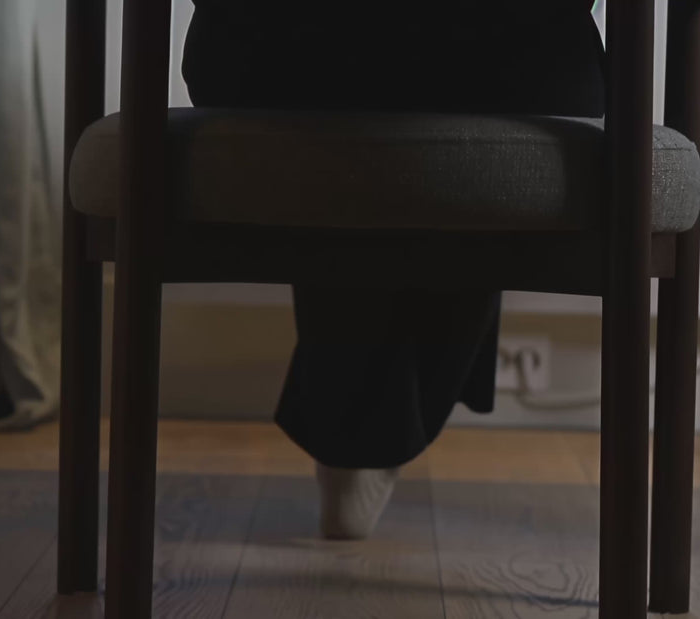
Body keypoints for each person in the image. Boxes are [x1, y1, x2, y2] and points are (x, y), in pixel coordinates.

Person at [182, 0, 605, 539]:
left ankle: (358, 428)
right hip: (510, 61)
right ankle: (368, 432)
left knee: (354, 88)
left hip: (271, 57)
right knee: (455, 87)